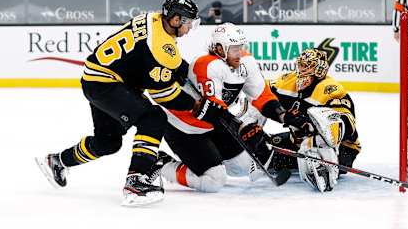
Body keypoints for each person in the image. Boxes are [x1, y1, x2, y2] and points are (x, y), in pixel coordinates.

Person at [35, 0, 202, 206]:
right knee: (153, 118)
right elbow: (163, 95)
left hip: (96, 80)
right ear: (176, 20)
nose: (189, 30)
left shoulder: (151, 18)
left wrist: (181, 69)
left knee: (108, 142)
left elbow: (155, 58)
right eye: (189, 23)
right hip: (107, 84)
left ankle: (57, 161)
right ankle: (136, 181)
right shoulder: (162, 48)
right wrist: (194, 104)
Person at [151, 23, 309, 192]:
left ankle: (205, 160)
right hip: (184, 128)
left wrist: (284, 116)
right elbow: (211, 111)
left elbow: (262, 96)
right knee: (214, 181)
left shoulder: (245, 63)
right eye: (234, 49)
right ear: (219, 49)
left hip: (213, 125)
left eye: (240, 47)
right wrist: (242, 127)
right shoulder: (206, 65)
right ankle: (162, 164)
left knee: (243, 166)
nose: (239, 53)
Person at [248, 48, 361, 192]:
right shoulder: (288, 81)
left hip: (340, 148)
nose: (302, 70)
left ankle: (325, 169)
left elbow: (347, 124)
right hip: (298, 140)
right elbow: (260, 92)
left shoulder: (330, 89)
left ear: (319, 68)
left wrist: (314, 130)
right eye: (301, 65)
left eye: (307, 66)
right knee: (263, 139)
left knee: (311, 145)